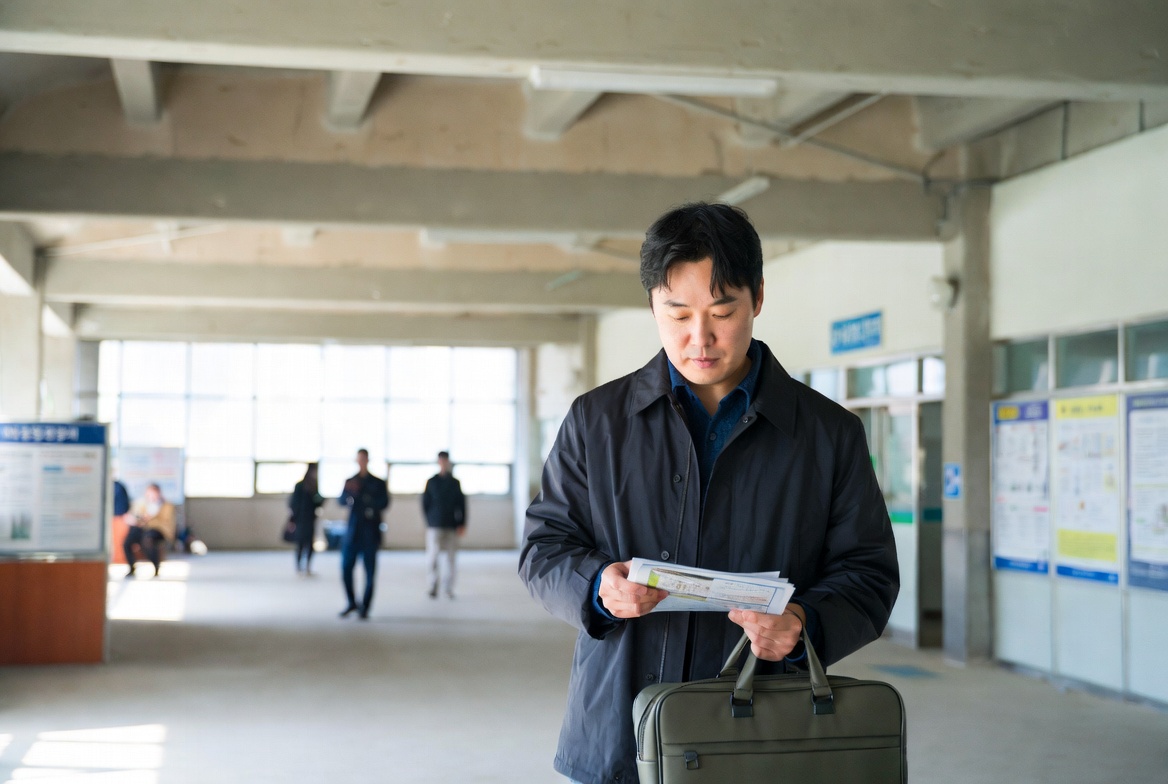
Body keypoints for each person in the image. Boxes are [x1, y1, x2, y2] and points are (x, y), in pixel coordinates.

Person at [519, 202, 900, 784]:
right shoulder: (596, 422)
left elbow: (868, 571)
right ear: (652, 306)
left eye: (723, 311)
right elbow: (544, 547)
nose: (701, 338)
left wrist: (804, 623)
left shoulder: (828, 434)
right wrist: (598, 587)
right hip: (619, 735)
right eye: (677, 315)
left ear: (758, 299)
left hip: (760, 738)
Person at [338, 448, 390, 620]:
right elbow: (341, 500)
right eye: (359, 459)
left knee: (369, 572)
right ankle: (351, 602)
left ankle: (365, 607)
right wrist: (351, 497)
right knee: (346, 568)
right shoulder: (350, 481)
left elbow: (384, 502)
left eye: (364, 459)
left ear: (367, 460)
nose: (361, 462)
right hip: (352, 532)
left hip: (370, 532)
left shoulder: (377, 483)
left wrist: (369, 501)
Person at [421, 450, 466, 599]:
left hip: (451, 524)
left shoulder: (455, 483)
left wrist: (462, 523)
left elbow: (462, 504)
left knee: (450, 558)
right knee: (433, 557)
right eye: (441, 460)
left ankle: (448, 587)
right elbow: (425, 503)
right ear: (438, 462)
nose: (443, 463)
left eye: (445, 461)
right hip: (435, 524)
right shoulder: (432, 482)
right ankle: (432, 585)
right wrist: (429, 521)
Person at [124, 483, 177, 578]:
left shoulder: (166, 505)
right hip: (142, 528)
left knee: (148, 540)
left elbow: (165, 521)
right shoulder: (141, 503)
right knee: (128, 541)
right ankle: (131, 567)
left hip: (159, 530)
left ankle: (156, 566)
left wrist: (149, 518)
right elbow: (135, 516)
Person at [289, 462, 324, 575]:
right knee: (300, 543)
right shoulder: (300, 486)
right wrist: (293, 518)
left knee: (309, 543)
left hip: (310, 519)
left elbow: (317, 502)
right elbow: (294, 503)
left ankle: (307, 566)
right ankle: (299, 566)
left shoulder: (314, 486)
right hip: (301, 519)